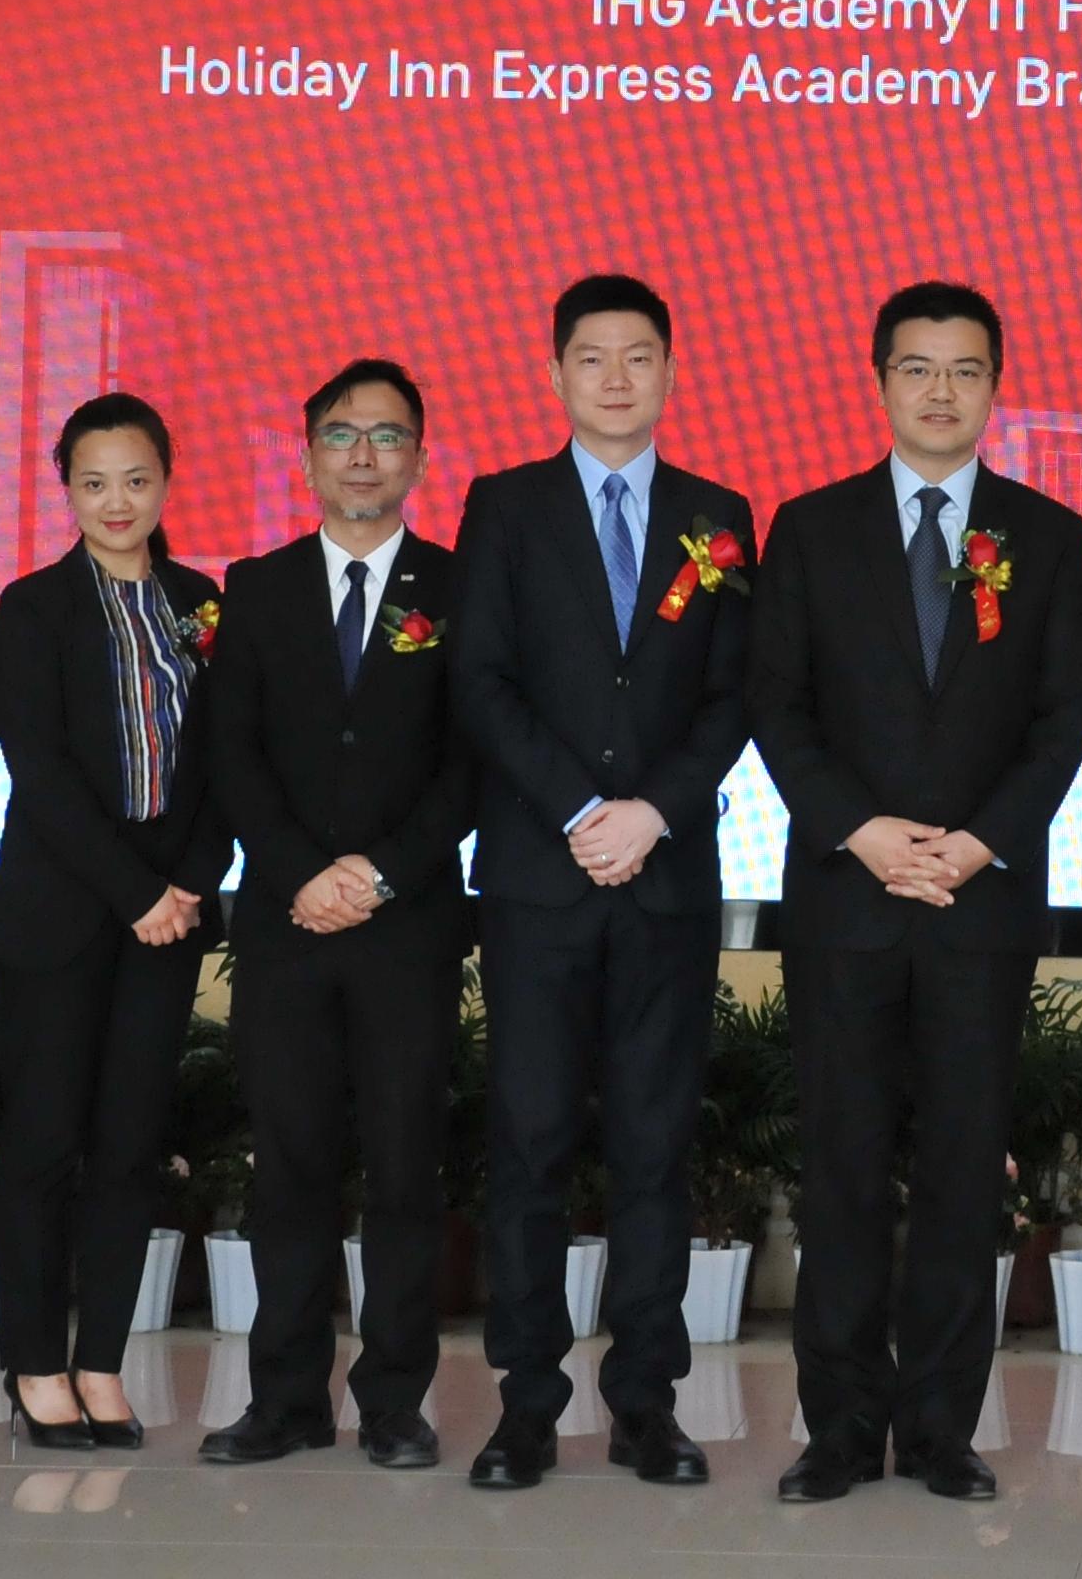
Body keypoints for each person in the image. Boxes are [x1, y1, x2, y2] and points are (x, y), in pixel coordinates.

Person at [747, 283, 1082, 1505]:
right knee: (840, 1170)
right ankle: (840, 1429)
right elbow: (776, 701)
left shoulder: (1047, 534)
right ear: (880, 381)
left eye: (964, 369)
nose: (940, 390)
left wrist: (978, 841)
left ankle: (944, 1427)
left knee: (961, 1172)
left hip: (978, 903)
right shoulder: (810, 527)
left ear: (995, 384)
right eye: (917, 367)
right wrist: (858, 831)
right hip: (844, 901)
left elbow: (1063, 714)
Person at [449, 274, 760, 1491]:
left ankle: (645, 1403)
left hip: (666, 880)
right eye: (592, 356)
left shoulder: (717, 513)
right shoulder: (505, 506)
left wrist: (653, 811)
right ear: (555, 373)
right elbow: (480, 679)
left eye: (639, 356)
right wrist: (582, 811)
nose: (617, 377)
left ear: (671, 371)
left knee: (653, 1148)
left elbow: (733, 693)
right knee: (528, 1143)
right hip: (540, 878)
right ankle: (525, 1404)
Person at [199, 360, 473, 1471]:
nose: (364, 455)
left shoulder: (459, 588)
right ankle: (284, 1399)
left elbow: (471, 758)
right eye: (342, 435)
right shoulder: (256, 586)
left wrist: (382, 872)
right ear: (308, 456)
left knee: (406, 1168)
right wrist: (299, 872)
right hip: (287, 923)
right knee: (289, 1167)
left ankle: (395, 1401)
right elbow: (231, 750)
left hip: (408, 926)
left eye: (387, 435)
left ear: (420, 458)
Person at [0, 393, 228, 1452]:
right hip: (61, 914)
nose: (116, 501)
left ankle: (102, 1365)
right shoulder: (33, 607)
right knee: (43, 1145)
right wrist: (138, 893)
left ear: (165, 481)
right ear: (66, 490)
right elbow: (39, 771)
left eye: (135, 479)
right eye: (93, 482)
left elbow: (226, 759)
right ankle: (36, 1364)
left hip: (170, 915)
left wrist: (190, 883)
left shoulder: (202, 602)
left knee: (130, 1148)